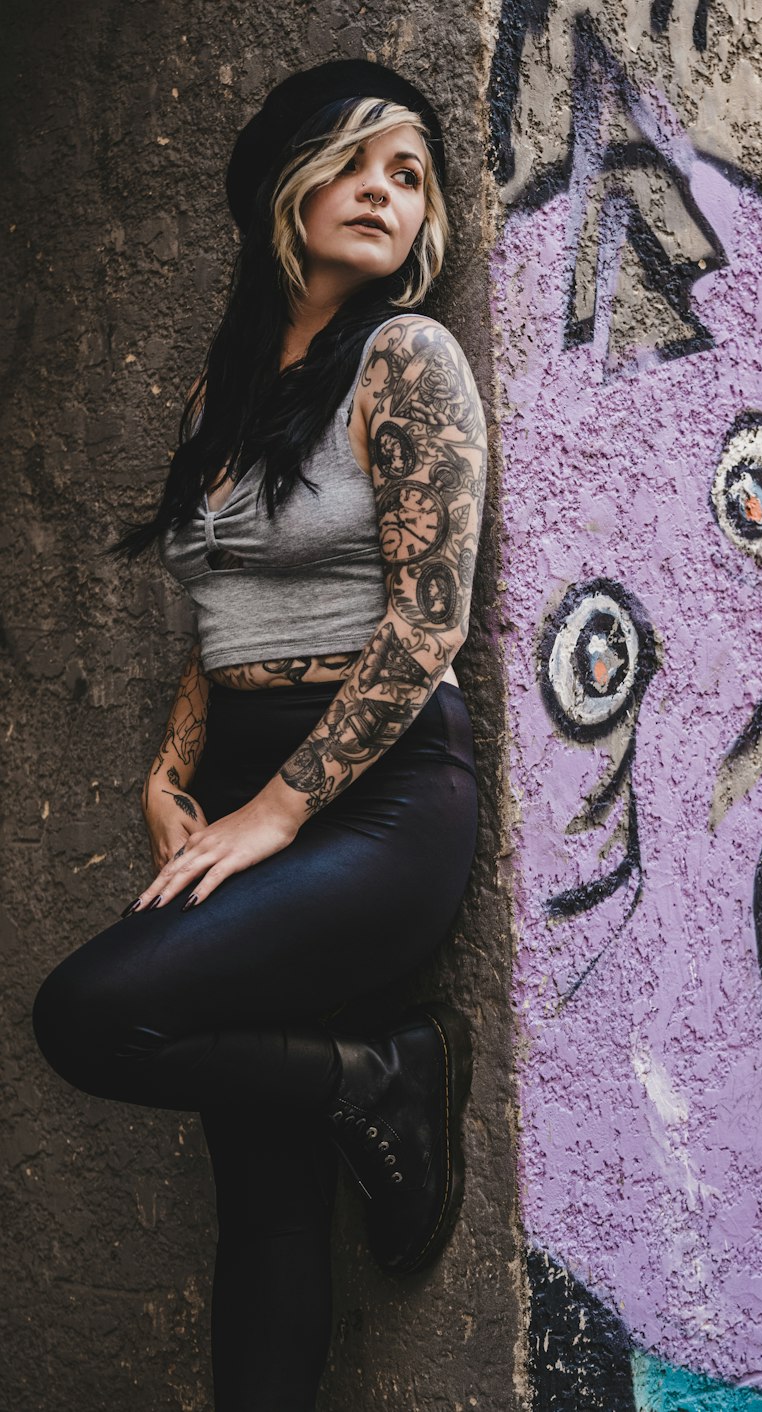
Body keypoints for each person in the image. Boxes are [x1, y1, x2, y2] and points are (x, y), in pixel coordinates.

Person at [32, 59, 486, 1412]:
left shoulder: (407, 359)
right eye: (356, 161)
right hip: (238, 780)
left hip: (381, 797)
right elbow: (219, 612)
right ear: (287, 181)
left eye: (409, 175)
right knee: (265, 1203)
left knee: (93, 1017)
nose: (384, 193)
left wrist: (280, 807)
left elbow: (429, 621)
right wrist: (171, 772)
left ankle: (390, 1071)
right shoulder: (218, 398)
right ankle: (352, 1089)